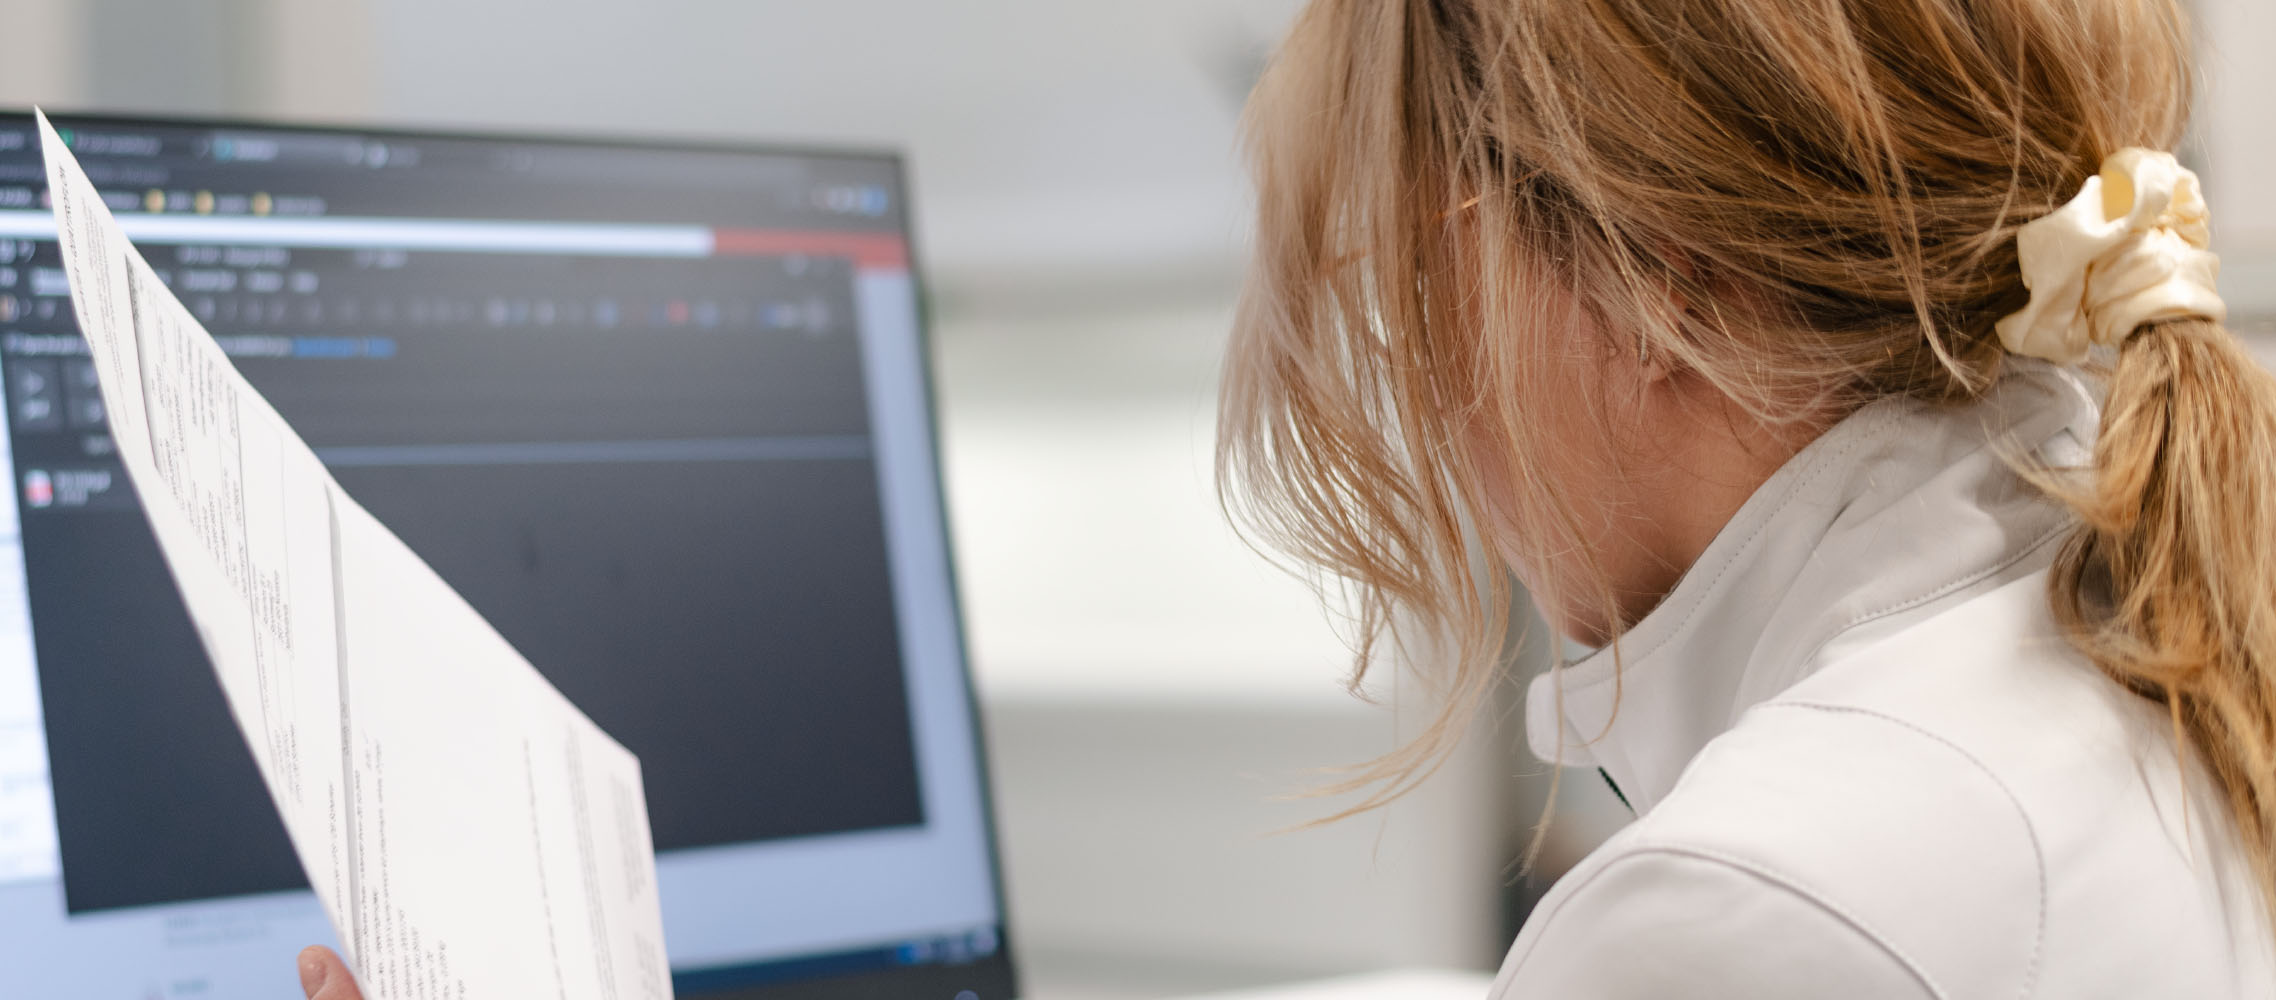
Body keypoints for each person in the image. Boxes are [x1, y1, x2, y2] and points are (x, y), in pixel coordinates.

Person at [296, 0, 2276, 996]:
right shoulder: (2107, 632)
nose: (1404, 368)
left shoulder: (1771, 898)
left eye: (1399, 264)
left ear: (1666, 282)